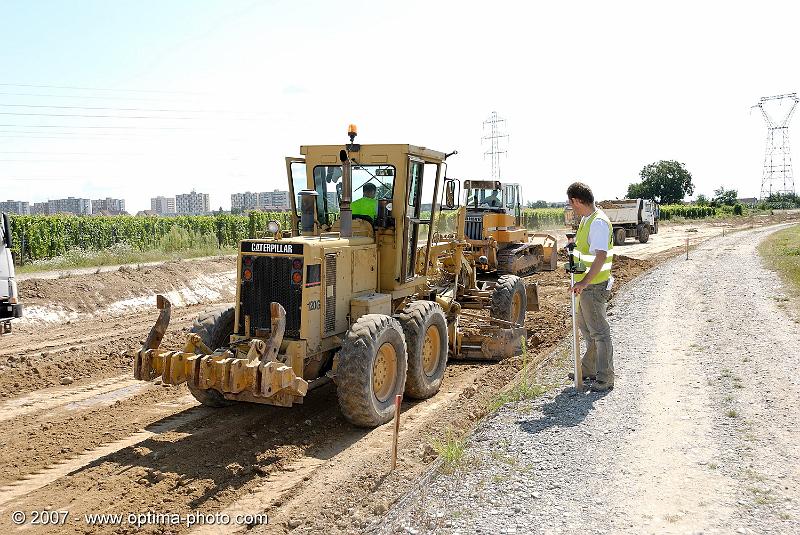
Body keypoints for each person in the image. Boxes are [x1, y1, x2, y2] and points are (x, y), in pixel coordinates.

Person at [567, 181, 614, 392]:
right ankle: (589, 368)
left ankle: (605, 378)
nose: (571, 207)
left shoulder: (598, 223)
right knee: (586, 329)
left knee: (599, 333)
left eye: (571, 203)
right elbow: (586, 252)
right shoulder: (586, 220)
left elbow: (601, 256)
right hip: (585, 286)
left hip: (593, 285)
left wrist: (585, 281)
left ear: (577, 200)